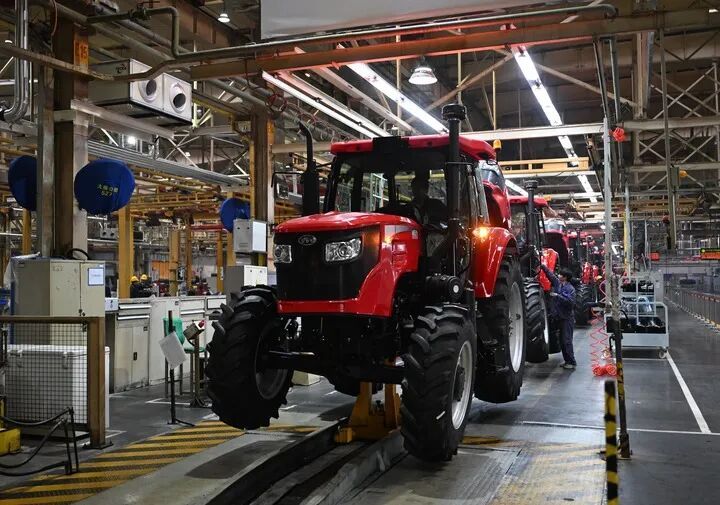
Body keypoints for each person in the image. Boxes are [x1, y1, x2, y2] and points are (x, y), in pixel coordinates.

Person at [540, 264, 577, 369]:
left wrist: (558, 296)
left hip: (567, 318)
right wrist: (543, 267)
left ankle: (572, 362)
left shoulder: (570, 289)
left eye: (560, 274)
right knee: (562, 341)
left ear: (565, 277)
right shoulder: (558, 284)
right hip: (559, 317)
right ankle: (567, 361)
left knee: (567, 340)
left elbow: (570, 302)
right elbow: (551, 276)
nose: (558, 275)